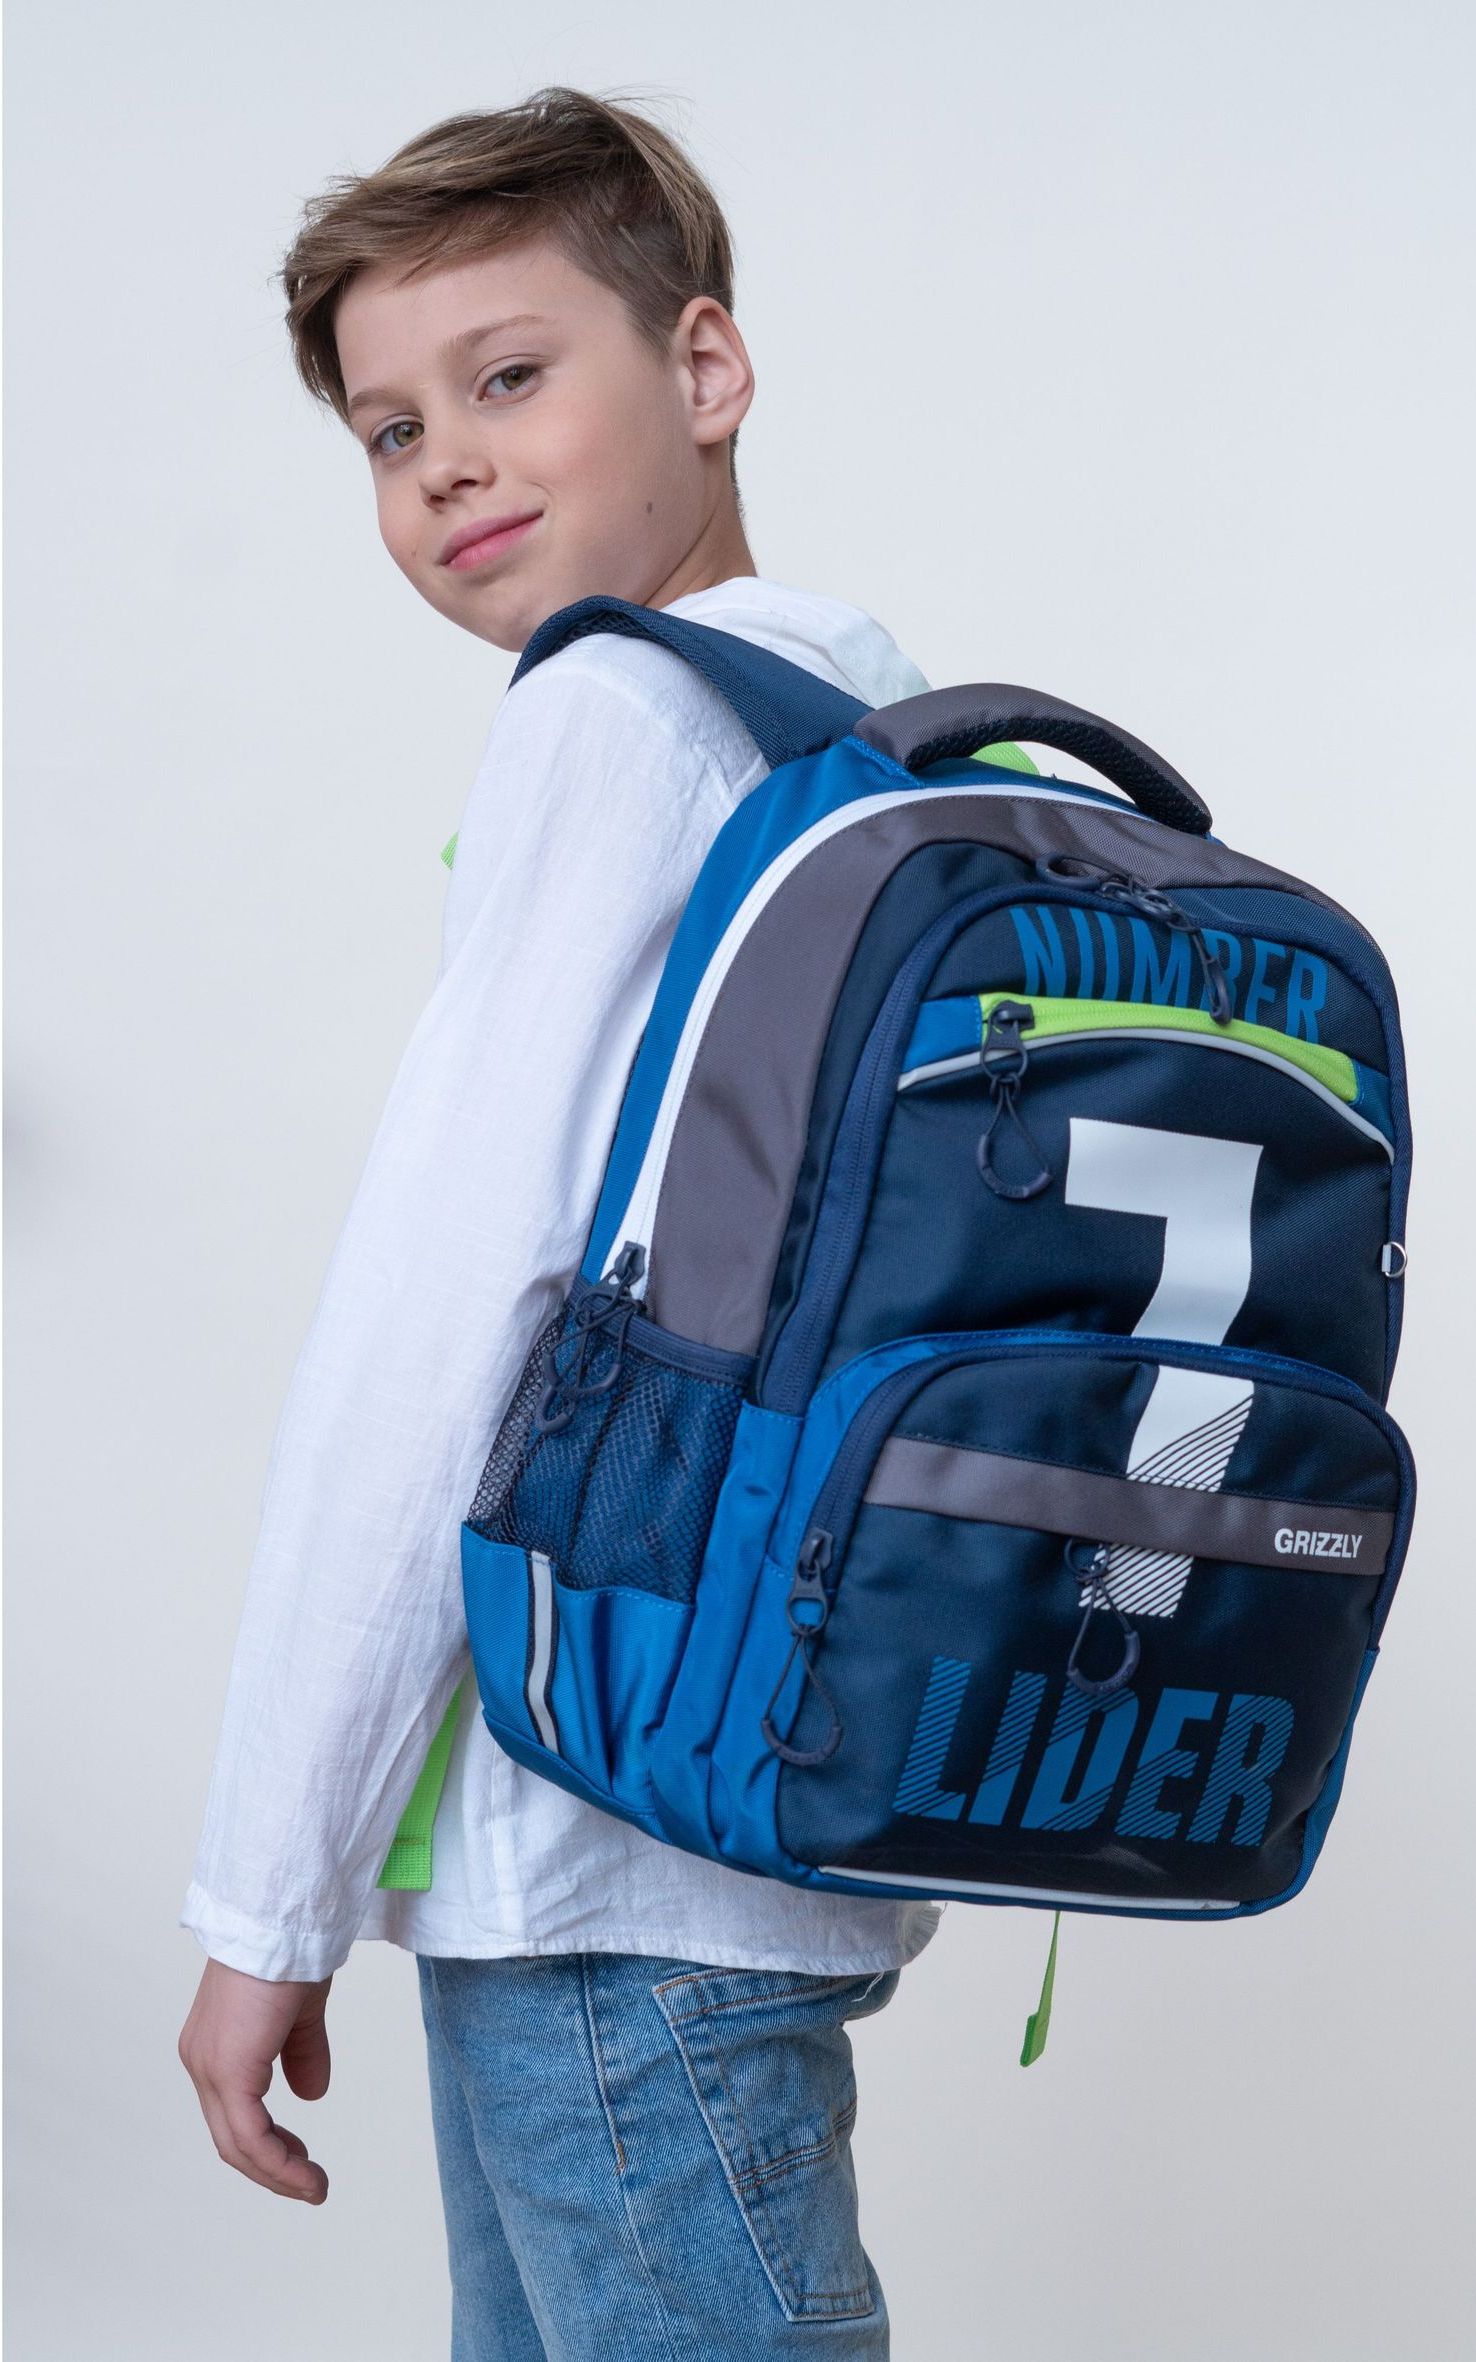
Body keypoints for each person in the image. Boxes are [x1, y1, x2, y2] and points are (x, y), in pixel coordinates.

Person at [176, 84, 943, 2359]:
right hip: (751, 1783)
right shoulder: (875, 723)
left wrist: (267, 1885)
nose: (447, 467)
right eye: (390, 430)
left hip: (591, 1828)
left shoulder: (615, 712)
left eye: (510, 375)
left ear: (705, 365)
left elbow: (443, 1319)